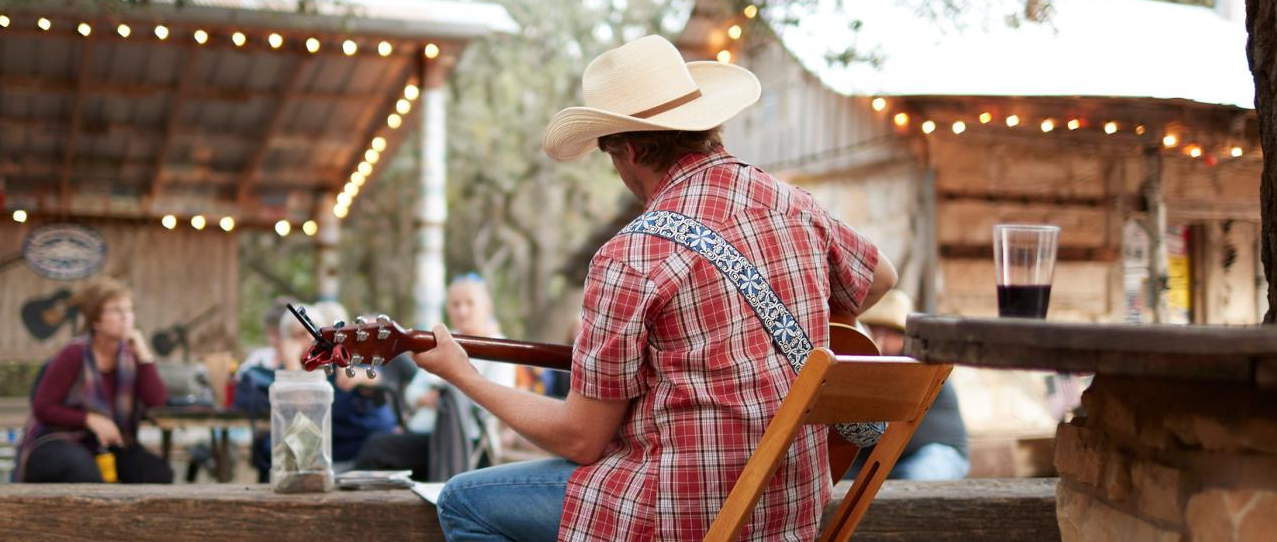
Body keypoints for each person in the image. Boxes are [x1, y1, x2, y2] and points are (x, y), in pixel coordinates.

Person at [414, 35, 898, 541]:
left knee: (462, 500)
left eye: (609, 155)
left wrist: (463, 375)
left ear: (628, 151)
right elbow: (880, 278)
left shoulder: (632, 255)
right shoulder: (792, 203)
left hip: (682, 516)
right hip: (790, 509)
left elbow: (580, 439)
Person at [350, 274, 517, 481]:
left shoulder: (500, 347)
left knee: (376, 447)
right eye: (455, 304)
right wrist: (427, 399)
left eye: (469, 303)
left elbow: (498, 402)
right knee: (378, 445)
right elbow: (412, 392)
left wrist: (451, 397)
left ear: (486, 307)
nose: (462, 311)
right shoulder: (443, 342)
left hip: (463, 440)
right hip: (422, 435)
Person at [15, 277, 173, 483]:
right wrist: (90, 419)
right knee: (81, 468)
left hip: (108, 445)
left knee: (158, 473)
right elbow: (43, 408)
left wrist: (144, 355)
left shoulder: (132, 357)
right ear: (95, 320)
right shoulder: (74, 353)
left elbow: (157, 404)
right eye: (116, 310)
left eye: (129, 310)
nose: (126, 317)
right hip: (58, 441)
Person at [235, 301, 398, 481]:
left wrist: (360, 376)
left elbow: (378, 377)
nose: (308, 339)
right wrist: (292, 365)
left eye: (312, 332)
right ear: (287, 342)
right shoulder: (287, 371)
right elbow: (300, 411)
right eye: (298, 335)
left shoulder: (338, 358)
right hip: (322, 454)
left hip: (359, 449)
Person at [849, 289, 969, 480]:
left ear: (904, 336)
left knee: (915, 477)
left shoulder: (919, 364)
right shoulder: (864, 365)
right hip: (877, 461)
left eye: (886, 332)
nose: (878, 338)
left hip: (935, 453)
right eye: (873, 329)